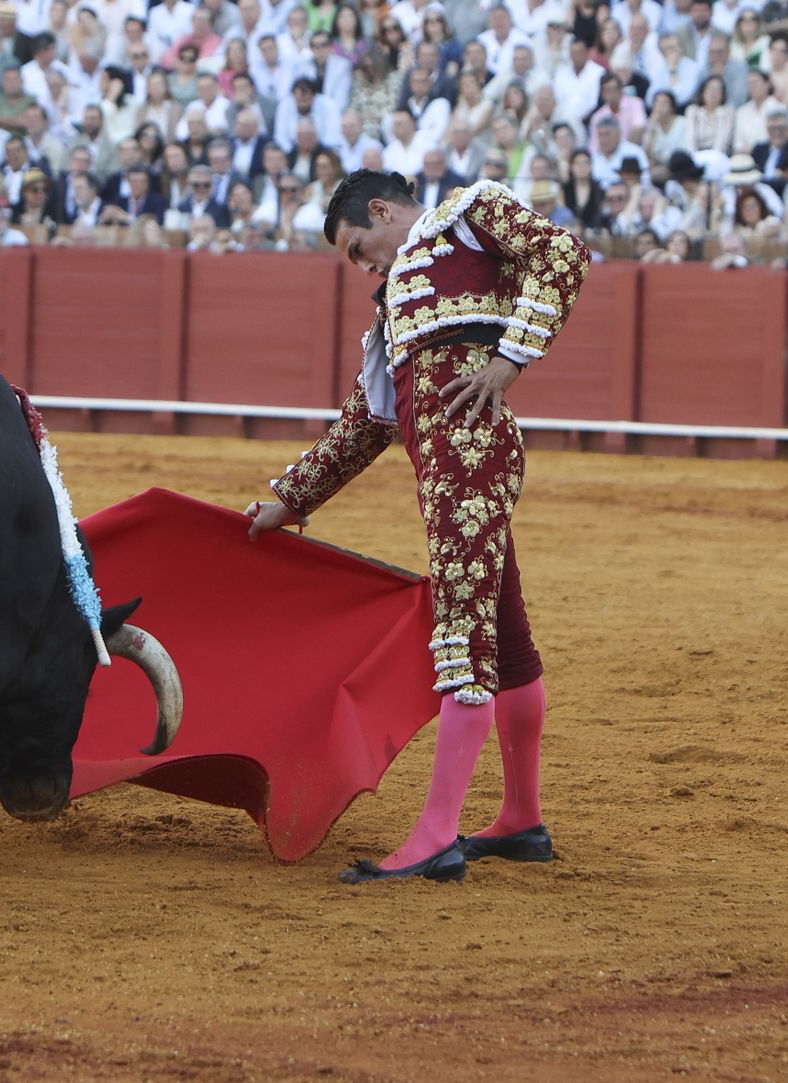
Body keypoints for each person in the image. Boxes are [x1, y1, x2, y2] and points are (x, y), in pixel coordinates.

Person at [245, 170, 590, 883]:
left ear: (380, 210)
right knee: (509, 640)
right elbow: (365, 426)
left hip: (471, 457)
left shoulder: (469, 213)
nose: (365, 266)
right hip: (448, 471)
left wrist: (508, 358)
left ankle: (436, 836)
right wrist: (291, 499)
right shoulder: (389, 315)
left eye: (358, 248)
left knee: (462, 639)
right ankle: (521, 817)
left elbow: (562, 255)